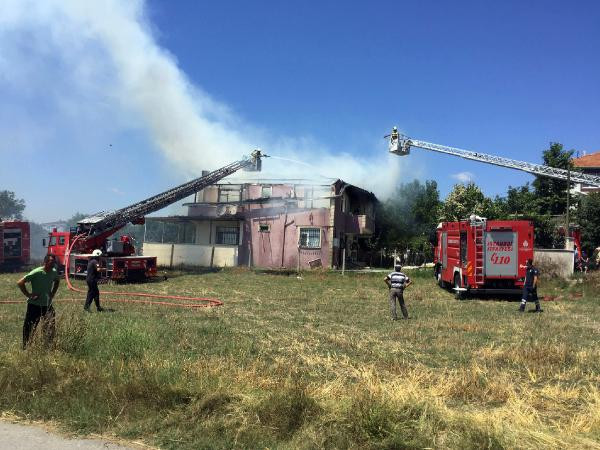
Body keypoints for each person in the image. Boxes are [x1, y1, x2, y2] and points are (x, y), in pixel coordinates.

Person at [17, 254, 60, 348]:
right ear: (45, 262)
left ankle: (48, 346)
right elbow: (20, 282)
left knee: (50, 326)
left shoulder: (53, 272)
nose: (53, 264)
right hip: (34, 305)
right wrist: (28, 294)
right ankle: (26, 347)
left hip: (47, 305)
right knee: (29, 327)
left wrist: (53, 293)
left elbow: (57, 280)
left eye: (54, 262)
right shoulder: (37, 272)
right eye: (51, 262)